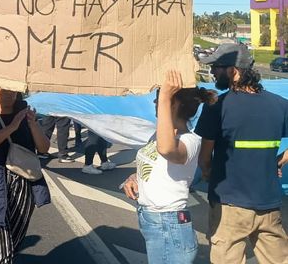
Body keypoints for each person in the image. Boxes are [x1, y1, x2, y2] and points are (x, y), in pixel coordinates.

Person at [194, 43, 288, 263]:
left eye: (217, 67)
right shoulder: (280, 105)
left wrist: (207, 173)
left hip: (229, 207)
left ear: (233, 70)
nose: (213, 72)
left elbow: (204, 158)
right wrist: (280, 161)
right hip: (269, 205)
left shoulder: (217, 107)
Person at [121, 70, 218, 263]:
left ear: (175, 103)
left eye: (159, 100)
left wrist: (165, 95)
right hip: (153, 220)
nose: (155, 103)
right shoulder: (157, 136)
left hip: (169, 223)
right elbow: (154, 165)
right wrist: (133, 178)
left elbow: (166, 150)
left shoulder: (190, 140)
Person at [0, 86, 51, 264]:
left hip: (23, 185)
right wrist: (12, 127)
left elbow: (44, 148)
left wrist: (33, 124)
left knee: (13, 243)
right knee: (2, 252)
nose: (9, 94)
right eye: (3, 90)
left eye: (12, 90)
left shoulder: (26, 114)